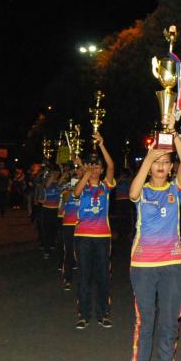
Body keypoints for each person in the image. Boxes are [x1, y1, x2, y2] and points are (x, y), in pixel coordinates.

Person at [128, 135, 181, 361]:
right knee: (146, 320)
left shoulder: (176, 189)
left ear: (171, 167)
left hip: (172, 264)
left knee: (170, 321)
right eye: (157, 162)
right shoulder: (142, 191)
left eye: (165, 162)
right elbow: (132, 193)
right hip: (143, 265)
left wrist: (173, 135)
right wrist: (149, 157)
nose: (161, 166)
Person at [73, 133, 116, 329]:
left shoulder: (106, 186)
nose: (95, 169)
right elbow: (76, 193)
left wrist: (102, 144)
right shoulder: (82, 185)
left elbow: (111, 166)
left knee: (103, 276)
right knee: (84, 276)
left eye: (98, 166)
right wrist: (85, 173)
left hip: (102, 237)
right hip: (83, 237)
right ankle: (83, 315)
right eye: (92, 166)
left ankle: (103, 313)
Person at [60, 164, 84, 291]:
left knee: (83, 252)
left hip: (83, 224)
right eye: (77, 169)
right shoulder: (67, 185)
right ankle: (67, 278)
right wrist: (74, 188)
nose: (79, 171)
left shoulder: (88, 185)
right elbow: (65, 198)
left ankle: (84, 278)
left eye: (81, 169)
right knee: (69, 251)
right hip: (69, 223)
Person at [39, 165, 61, 260]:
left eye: (57, 172)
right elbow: (47, 185)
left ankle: (52, 245)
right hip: (46, 210)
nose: (56, 174)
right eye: (54, 172)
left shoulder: (60, 183)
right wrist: (51, 175)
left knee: (54, 230)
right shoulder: (46, 182)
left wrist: (62, 170)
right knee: (46, 230)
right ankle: (46, 250)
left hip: (56, 210)